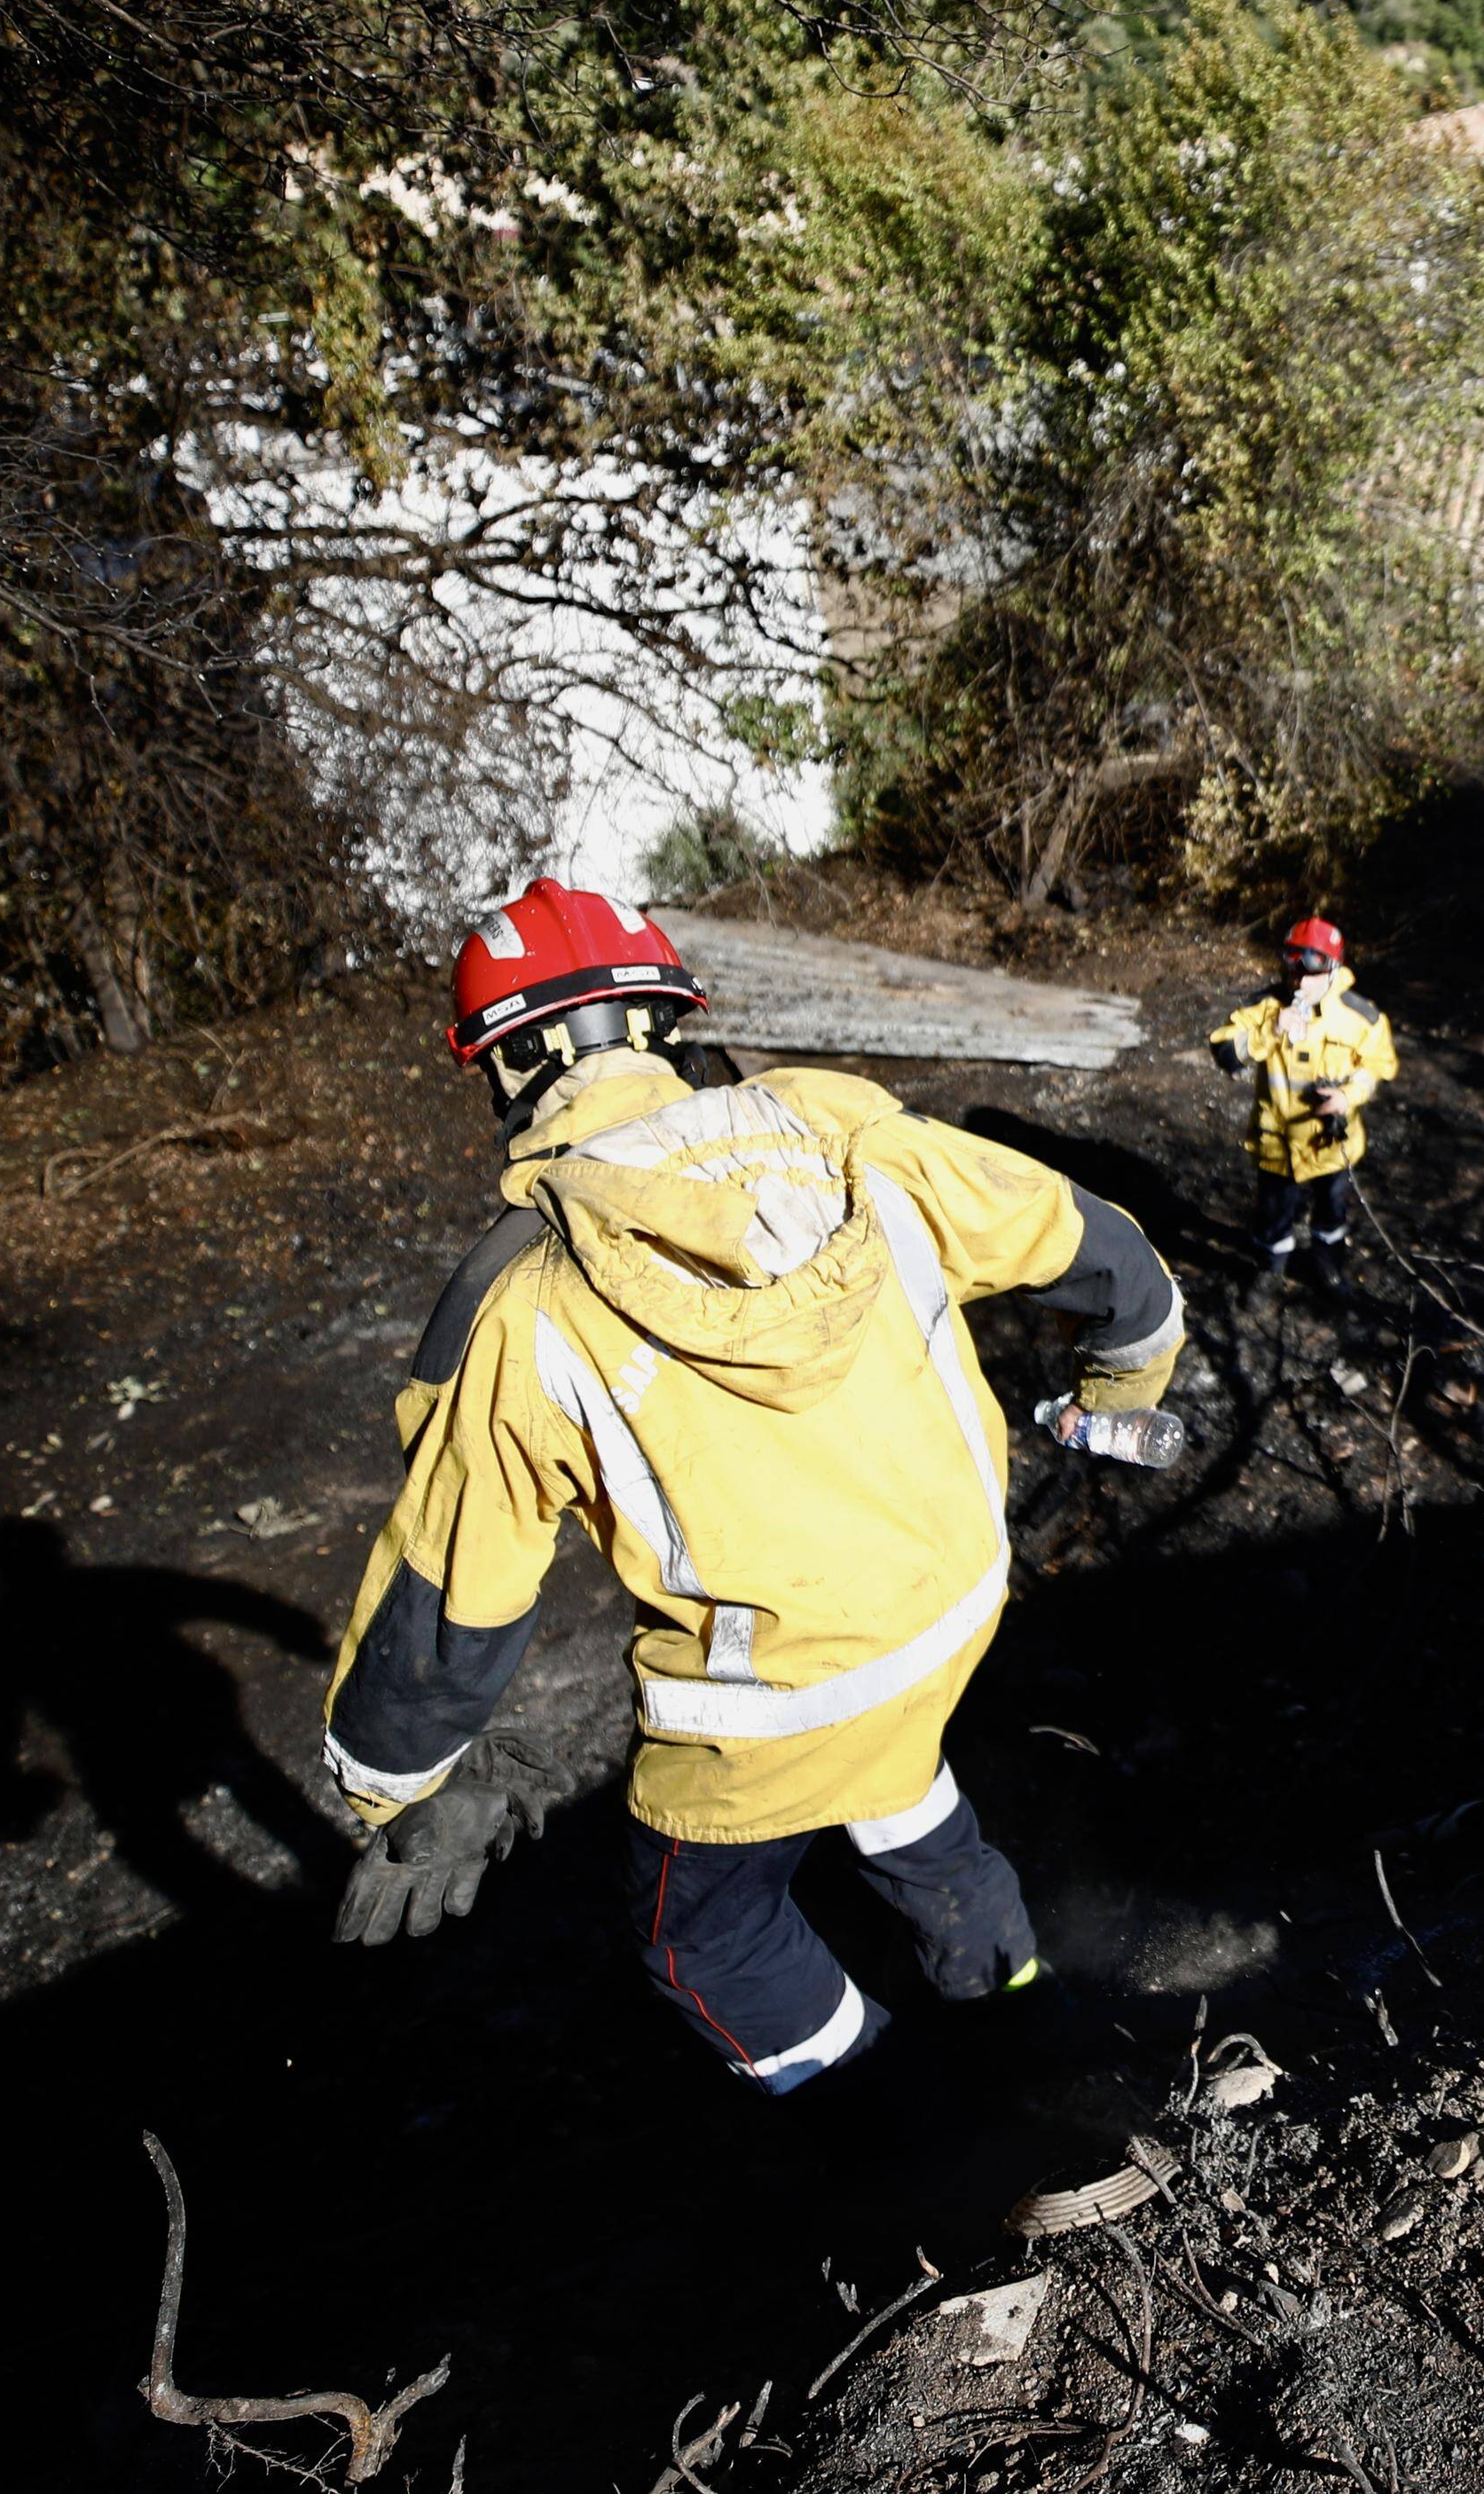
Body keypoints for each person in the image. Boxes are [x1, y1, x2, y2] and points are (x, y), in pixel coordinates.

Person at [320, 878, 1188, 2097]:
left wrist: (390, 1787)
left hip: (769, 1701)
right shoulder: (852, 1133)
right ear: (664, 1025)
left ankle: (882, 2116)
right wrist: (1124, 1386)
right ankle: (1010, 2000)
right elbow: (1099, 1249)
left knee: (702, 1933)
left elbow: (450, 1594)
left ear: (508, 1066)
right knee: (894, 1768)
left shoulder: (517, 1309)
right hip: (954, 1592)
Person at [1205, 915, 1398, 1287]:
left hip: (1331, 1142)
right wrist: (1270, 1030)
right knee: (1274, 1215)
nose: (1300, 980)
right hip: (1277, 1143)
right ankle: (1270, 1271)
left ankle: (1327, 1267)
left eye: (1311, 970)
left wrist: (1347, 1096)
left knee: (1331, 1211)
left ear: (1333, 969)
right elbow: (1225, 1053)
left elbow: (1379, 1066)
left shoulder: (1361, 1017)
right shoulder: (1264, 1008)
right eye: (1293, 968)